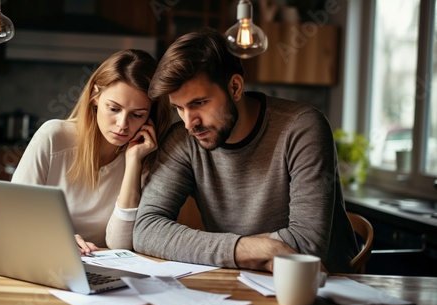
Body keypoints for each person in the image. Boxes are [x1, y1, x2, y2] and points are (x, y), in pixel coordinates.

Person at [133, 29, 359, 273]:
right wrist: (251, 249)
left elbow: (306, 246)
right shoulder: (183, 141)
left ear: (235, 87)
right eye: (179, 107)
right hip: (241, 283)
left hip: (323, 291)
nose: (189, 123)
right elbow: (146, 229)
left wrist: (221, 250)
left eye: (199, 103)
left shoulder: (302, 128)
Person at [12, 49, 171, 254]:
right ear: (95, 96)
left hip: (104, 269)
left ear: (150, 115)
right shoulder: (53, 137)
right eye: (114, 109)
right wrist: (56, 237)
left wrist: (133, 163)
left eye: (137, 115)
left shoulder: (145, 155)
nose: (123, 124)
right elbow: (15, 216)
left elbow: (119, 244)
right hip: (42, 258)